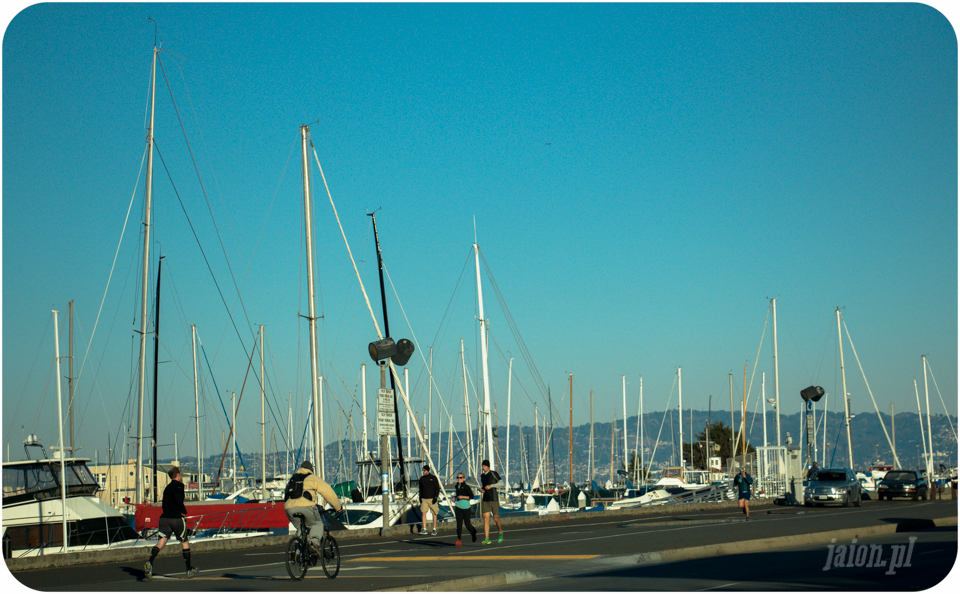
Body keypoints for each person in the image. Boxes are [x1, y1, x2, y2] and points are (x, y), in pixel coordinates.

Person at [144, 466, 198, 580]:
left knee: (161, 542)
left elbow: (165, 503)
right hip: (176, 519)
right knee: (184, 543)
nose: (181, 477)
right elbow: (178, 498)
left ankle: (150, 562)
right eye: (181, 475)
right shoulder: (179, 486)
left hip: (164, 518)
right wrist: (183, 511)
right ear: (178, 475)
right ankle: (189, 569)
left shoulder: (167, 488)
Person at [283, 461, 343, 550]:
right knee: (317, 524)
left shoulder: (293, 478)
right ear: (311, 470)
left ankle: (298, 554)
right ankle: (314, 543)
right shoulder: (311, 478)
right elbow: (328, 492)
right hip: (306, 507)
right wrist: (338, 507)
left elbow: (286, 495)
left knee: (300, 529)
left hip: (290, 509)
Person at [479, 459, 504, 544]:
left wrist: (491, 486)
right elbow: (484, 486)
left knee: (495, 518)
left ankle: (500, 532)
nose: (483, 468)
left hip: (494, 499)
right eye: (482, 466)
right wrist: (481, 490)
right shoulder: (482, 476)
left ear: (488, 466)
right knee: (486, 519)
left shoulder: (493, 473)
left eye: (484, 466)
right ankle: (487, 538)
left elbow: (501, 483)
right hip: (485, 499)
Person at [453, 472, 478, 546]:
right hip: (458, 507)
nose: (459, 479)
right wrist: (455, 497)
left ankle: (473, 532)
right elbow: (458, 495)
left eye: (460, 478)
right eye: (458, 477)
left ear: (463, 479)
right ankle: (459, 540)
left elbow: (471, 496)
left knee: (467, 524)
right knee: (459, 525)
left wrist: (463, 497)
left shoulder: (466, 487)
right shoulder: (456, 486)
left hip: (466, 508)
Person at [418, 465, 441, 536]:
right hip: (424, 498)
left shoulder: (433, 478)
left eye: (424, 470)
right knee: (423, 512)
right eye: (423, 470)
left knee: (434, 513)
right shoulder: (421, 479)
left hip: (432, 498)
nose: (423, 472)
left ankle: (434, 529)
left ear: (428, 470)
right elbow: (420, 489)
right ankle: (424, 529)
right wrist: (420, 497)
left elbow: (437, 488)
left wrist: (435, 497)